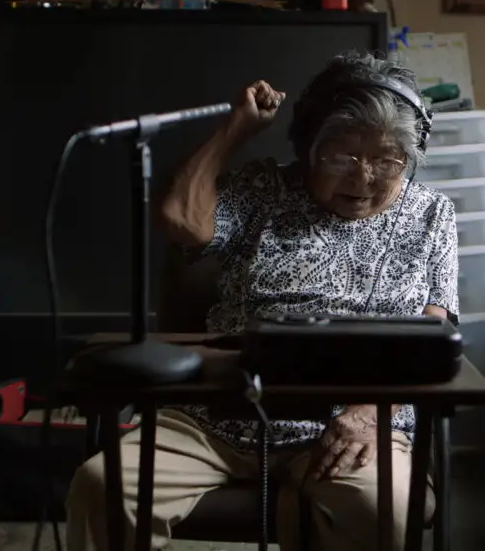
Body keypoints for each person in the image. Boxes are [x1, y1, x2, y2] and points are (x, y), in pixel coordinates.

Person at [65, 52, 460, 551]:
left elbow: (435, 332)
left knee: (385, 509)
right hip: (218, 414)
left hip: (352, 425)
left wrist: (369, 411)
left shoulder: (432, 214)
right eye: (342, 157)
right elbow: (179, 221)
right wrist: (236, 130)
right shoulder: (262, 188)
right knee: (102, 488)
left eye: (387, 161)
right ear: (309, 148)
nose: (363, 179)